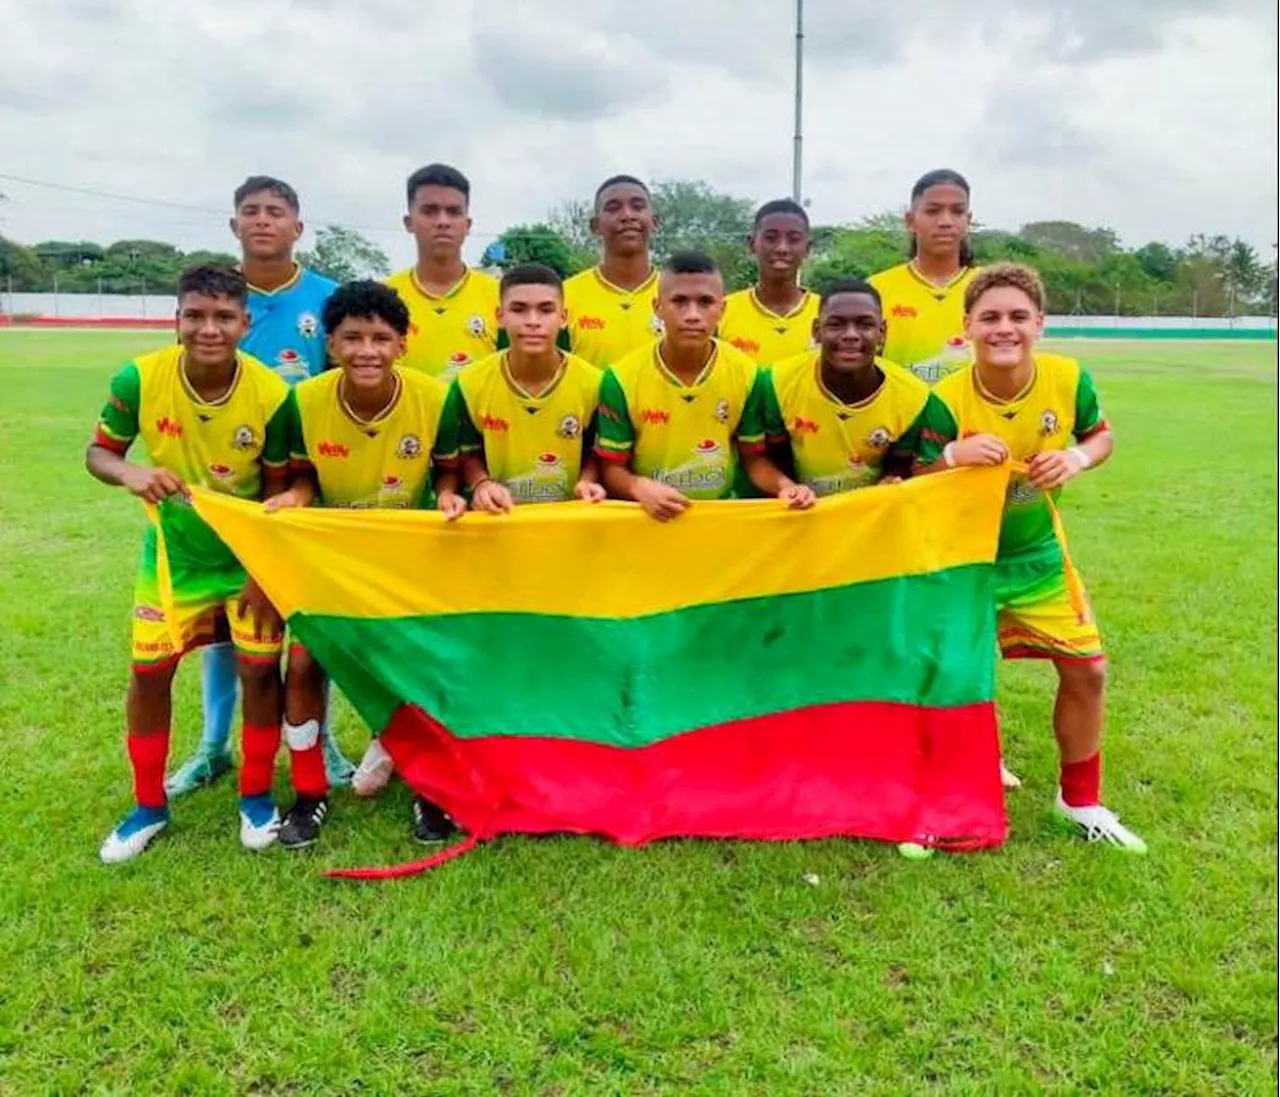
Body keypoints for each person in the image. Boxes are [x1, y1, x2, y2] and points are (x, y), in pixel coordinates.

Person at [913, 262, 1147, 855]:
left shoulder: (1068, 380)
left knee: (1088, 668)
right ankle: (963, 784)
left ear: (1040, 323)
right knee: (956, 678)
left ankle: (1080, 800)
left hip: (1037, 553)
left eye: (1018, 316)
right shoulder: (944, 400)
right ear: (967, 326)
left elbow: (1101, 435)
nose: (1004, 328)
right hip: (963, 562)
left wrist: (1077, 459)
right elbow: (908, 476)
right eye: (989, 316)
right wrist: (952, 456)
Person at [87, 264, 294, 862]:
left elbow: (280, 494)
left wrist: (263, 572)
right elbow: (99, 451)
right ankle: (148, 806)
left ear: (244, 324)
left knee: (259, 672)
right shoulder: (140, 379)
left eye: (223, 317)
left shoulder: (272, 393)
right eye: (195, 315)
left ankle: (256, 798)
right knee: (149, 674)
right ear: (175, 319)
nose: (209, 329)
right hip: (173, 560)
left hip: (247, 559)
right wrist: (130, 472)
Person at [167, 176, 354, 800]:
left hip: (303, 488)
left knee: (308, 625)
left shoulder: (326, 298)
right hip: (228, 494)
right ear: (234, 224)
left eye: (277, 212)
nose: (263, 221)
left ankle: (318, 742)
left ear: (298, 227)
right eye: (251, 211)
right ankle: (212, 748)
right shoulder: (214, 300)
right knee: (227, 623)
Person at [266, 281, 466, 848]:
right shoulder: (302, 402)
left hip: (410, 560)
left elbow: (449, 469)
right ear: (330, 344)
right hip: (333, 562)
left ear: (403, 343)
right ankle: (309, 795)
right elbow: (298, 477)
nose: (367, 350)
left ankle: (432, 790)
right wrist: (297, 498)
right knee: (303, 666)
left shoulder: (435, 397)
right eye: (352, 337)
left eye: (381, 337)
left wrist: (450, 494)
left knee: (420, 670)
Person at [594, 251, 815, 518]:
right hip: (652, 520)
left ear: (722, 309)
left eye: (705, 302)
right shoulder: (620, 379)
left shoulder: (749, 375)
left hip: (720, 519)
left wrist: (785, 486)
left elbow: (753, 458)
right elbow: (610, 467)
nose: (692, 315)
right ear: (657, 307)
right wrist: (637, 486)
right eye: (679, 301)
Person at [448, 263, 606, 512]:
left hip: (569, 523)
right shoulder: (470, 383)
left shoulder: (594, 384)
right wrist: (481, 483)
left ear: (563, 317)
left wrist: (587, 480)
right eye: (519, 310)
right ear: (499, 317)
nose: (533, 322)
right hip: (500, 520)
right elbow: (466, 453)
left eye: (545, 310)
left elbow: (599, 452)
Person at [761, 280, 932, 495]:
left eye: (865, 324)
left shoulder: (913, 397)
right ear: (816, 331)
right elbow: (771, 457)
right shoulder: (778, 382)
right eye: (836, 324)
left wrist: (891, 480)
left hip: (868, 512)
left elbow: (900, 463)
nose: (851, 334)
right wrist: (789, 489)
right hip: (799, 509)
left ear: (882, 332)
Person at [386, 163, 500, 382]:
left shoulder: (500, 298)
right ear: (409, 222)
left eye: (453, 212)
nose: (442, 222)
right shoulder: (384, 297)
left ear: (467, 224)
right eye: (430, 211)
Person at [869, 169, 979, 384]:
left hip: (969, 416)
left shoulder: (990, 287)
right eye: (933, 211)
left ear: (968, 221)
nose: (945, 221)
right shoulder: (877, 289)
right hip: (903, 415)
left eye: (957, 211)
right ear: (910, 221)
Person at [563, 175, 663, 368]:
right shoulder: (564, 297)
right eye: (613, 208)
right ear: (595, 226)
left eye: (638, 206)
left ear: (655, 222)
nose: (627, 215)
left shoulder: (680, 297)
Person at [719, 199, 819, 365]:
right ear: (752, 244)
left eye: (793, 239)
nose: (782, 248)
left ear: (807, 249)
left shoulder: (827, 314)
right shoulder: (722, 312)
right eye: (771, 238)